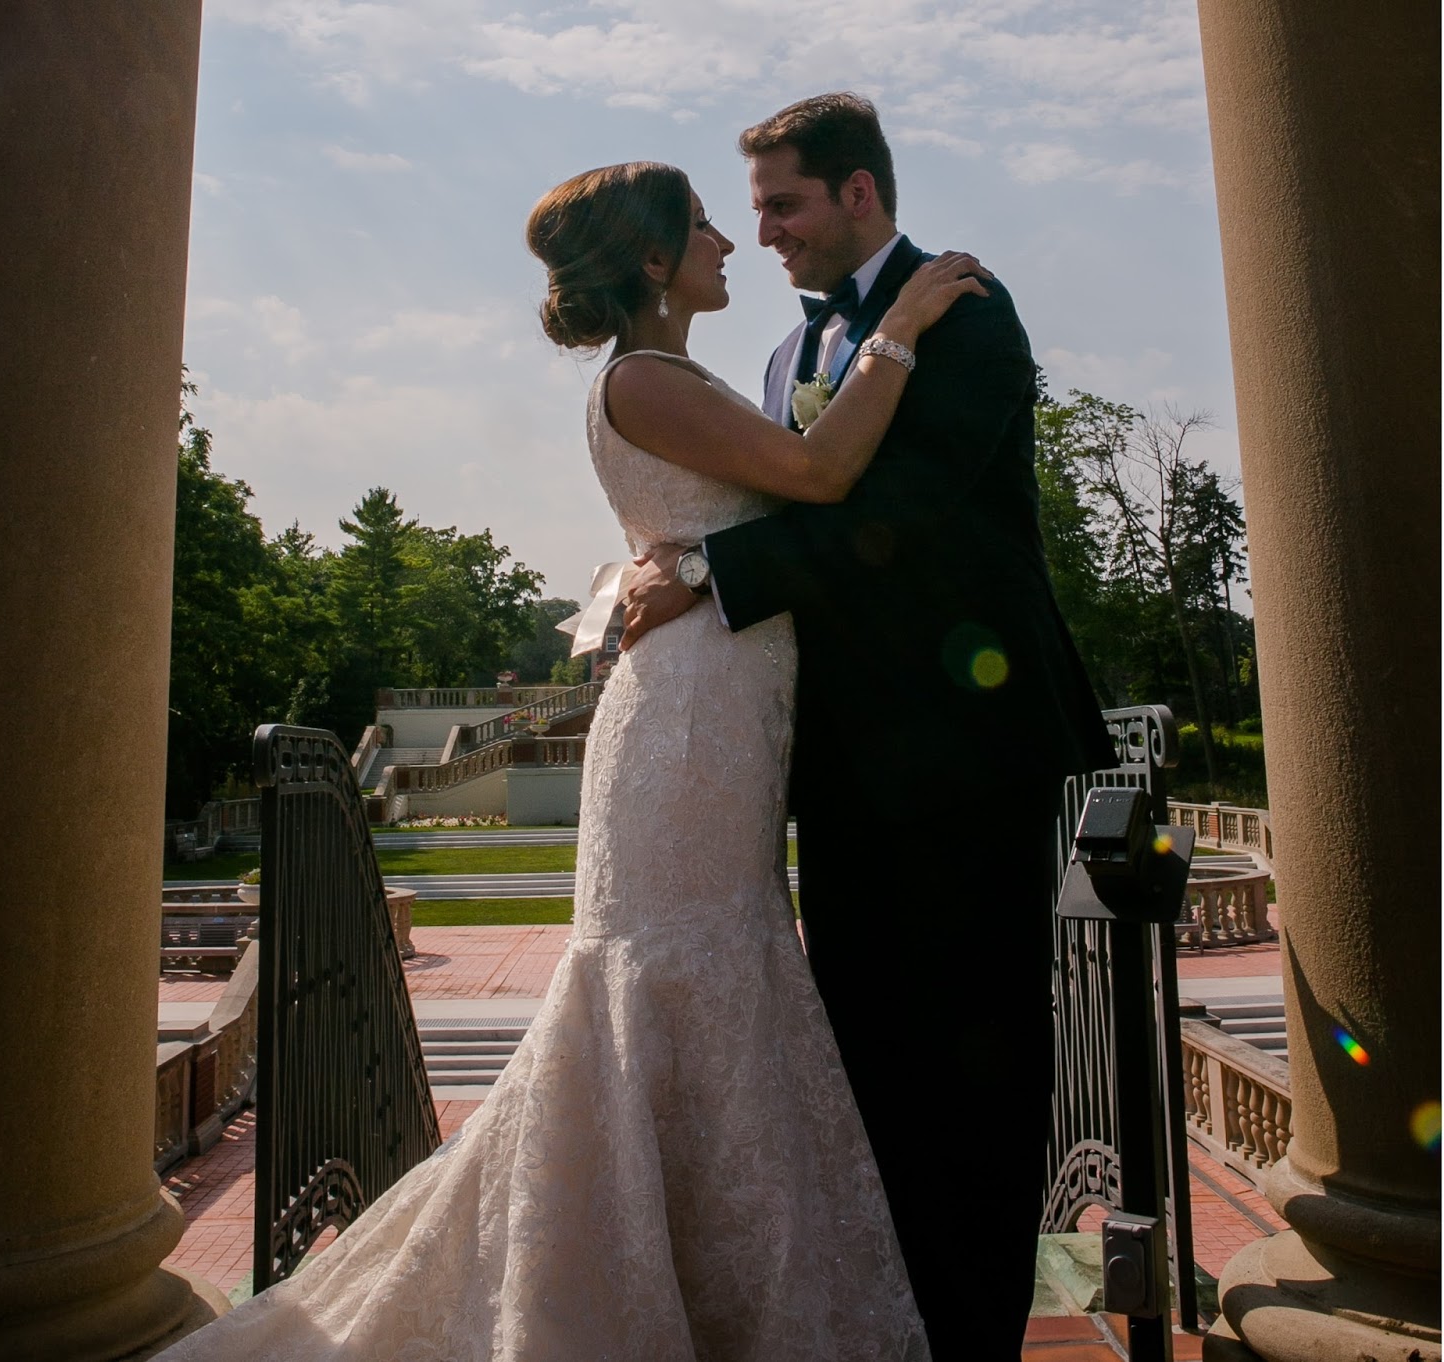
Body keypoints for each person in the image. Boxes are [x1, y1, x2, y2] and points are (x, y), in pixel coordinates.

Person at [156, 161, 983, 1362]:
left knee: (712, 983)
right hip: (688, 727)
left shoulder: (682, 376)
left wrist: (688, 566)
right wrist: (900, 327)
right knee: (675, 987)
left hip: (722, 717)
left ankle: (701, 1279)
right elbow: (819, 477)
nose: (728, 242)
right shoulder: (645, 381)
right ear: (653, 260)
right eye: (704, 224)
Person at [621, 94, 1118, 1359]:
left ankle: (970, 1339)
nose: (767, 232)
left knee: (980, 1071)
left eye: (784, 204)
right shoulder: (791, 361)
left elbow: (904, 520)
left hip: (968, 754)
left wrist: (712, 581)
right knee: (867, 1070)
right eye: (753, 212)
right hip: (840, 773)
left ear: (858, 193)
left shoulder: (966, 308)